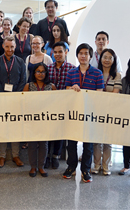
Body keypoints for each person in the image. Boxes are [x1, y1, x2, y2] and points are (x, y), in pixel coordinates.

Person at [64, 43, 104, 182]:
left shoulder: (97, 73)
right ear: (77, 56)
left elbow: (100, 94)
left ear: (90, 56)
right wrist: (71, 88)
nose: (83, 56)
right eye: (81, 53)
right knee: (72, 143)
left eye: (86, 53)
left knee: (88, 145)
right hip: (74, 114)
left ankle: (86, 170)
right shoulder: (71, 73)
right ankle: (71, 167)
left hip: (90, 114)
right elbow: (67, 92)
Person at [0, 36, 27, 168]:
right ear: (3, 47)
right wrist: (2, 97)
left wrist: (15, 97)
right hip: (1, 100)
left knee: (15, 128)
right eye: (7, 46)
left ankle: (15, 155)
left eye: (12, 46)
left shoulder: (20, 62)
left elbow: (23, 80)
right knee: (2, 128)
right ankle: (2, 156)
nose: (9, 49)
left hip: (16, 100)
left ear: (15, 47)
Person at [91, 48, 122, 176]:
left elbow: (115, 93)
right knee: (97, 139)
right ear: (100, 59)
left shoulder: (117, 75)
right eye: (105, 57)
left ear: (114, 60)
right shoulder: (95, 73)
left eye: (110, 57)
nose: (107, 60)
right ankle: (97, 165)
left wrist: (101, 95)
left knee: (108, 140)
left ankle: (106, 165)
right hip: (96, 110)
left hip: (110, 110)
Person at [46, 41, 76, 169]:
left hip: (65, 106)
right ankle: (47, 156)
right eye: (55, 52)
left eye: (60, 52)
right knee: (49, 131)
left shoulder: (72, 69)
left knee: (60, 132)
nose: (57, 54)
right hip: (50, 105)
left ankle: (56, 156)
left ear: (66, 52)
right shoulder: (48, 68)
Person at [23, 63, 56, 177]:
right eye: (38, 71)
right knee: (32, 144)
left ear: (46, 73)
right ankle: (33, 167)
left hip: (46, 120)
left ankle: (41, 167)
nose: (40, 74)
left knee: (44, 144)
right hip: (32, 120)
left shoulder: (52, 86)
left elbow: (56, 103)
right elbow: (24, 103)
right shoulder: (28, 86)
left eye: (43, 71)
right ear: (34, 73)